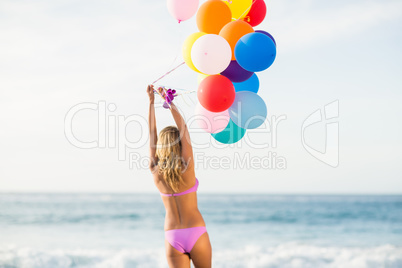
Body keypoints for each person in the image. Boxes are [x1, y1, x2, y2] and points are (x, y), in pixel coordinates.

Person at [147, 85, 212, 268]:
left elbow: (152, 135)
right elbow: (184, 130)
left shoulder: (155, 169)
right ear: (179, 145)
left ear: (161, 146)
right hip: (195, 232)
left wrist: (151, 103)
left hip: (172, 235)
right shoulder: (186, 166)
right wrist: (169, 103)